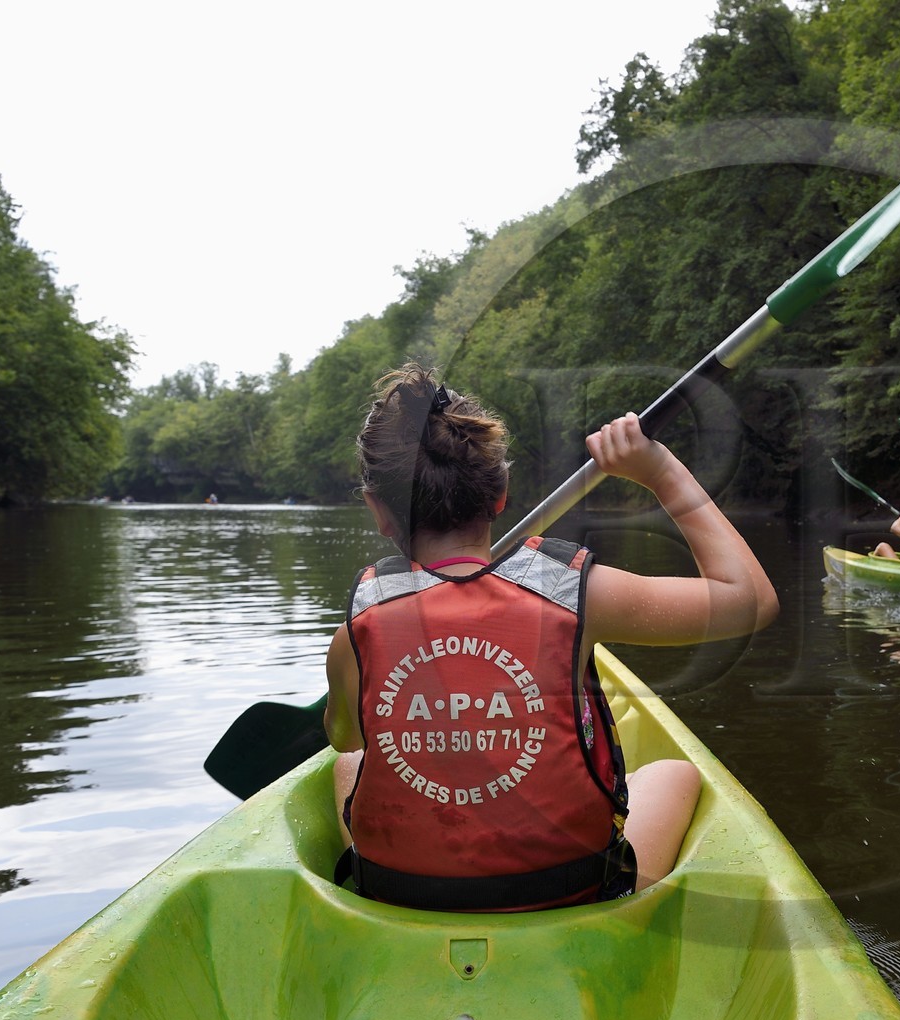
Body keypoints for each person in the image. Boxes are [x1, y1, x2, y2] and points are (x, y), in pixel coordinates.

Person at [323, 364, 779, 912]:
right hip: (571, 893)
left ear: (378, 511)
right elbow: (751, 601)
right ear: (500, 495)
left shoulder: (358, 627)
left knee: (347, 764)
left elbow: (346, 738)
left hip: (402, 894)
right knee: (677, 773)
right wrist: (660, 471)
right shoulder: (570, 592)